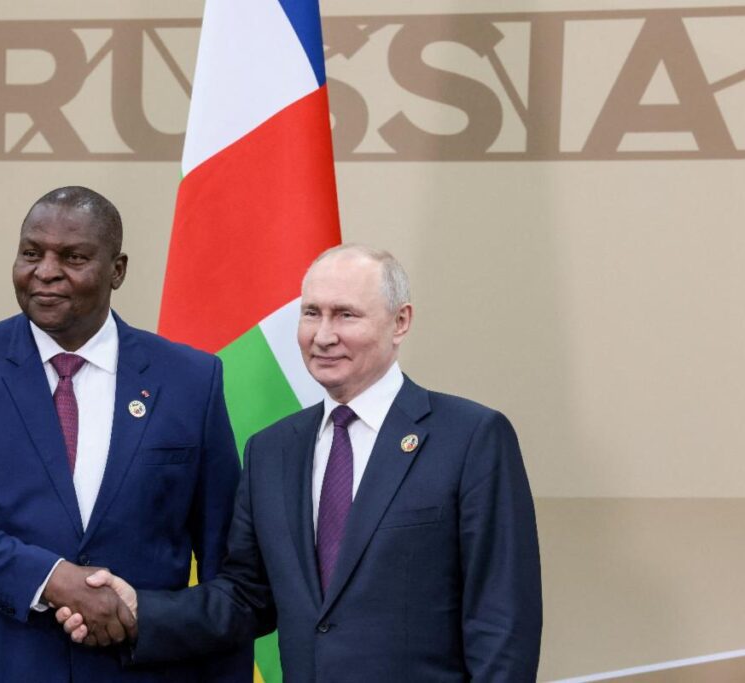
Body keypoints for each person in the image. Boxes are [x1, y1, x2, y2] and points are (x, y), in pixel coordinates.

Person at [58, 244, 543, 681]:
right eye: (312, 313)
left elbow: (502, 619)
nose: (324, 335)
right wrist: (139, 611)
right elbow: (247, 597)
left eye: (346, 315)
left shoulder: (471, 437)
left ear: (401, 322)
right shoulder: (272, 450)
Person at [0, 186, 250, 682]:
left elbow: (225, 562)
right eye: (31, 253)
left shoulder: (190, 379)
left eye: (73, 256)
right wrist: (51, 579)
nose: (45, 271)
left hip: (141, 668)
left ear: (117, 270)